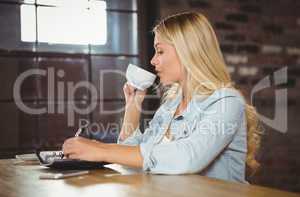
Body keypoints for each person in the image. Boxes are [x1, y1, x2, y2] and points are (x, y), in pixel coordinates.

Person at [62, 11, 261, 183]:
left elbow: (187, 158)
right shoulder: (170, 106)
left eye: (160, 51)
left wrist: (102, 150)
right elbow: (134, 159)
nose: (152, 60)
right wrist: (133, 106)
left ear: (188, 51)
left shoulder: (226, 102)